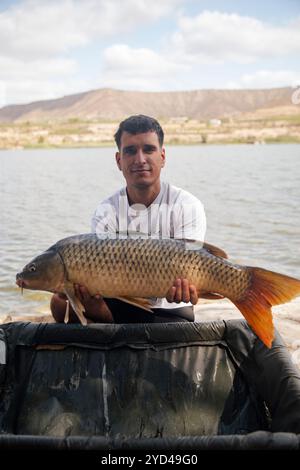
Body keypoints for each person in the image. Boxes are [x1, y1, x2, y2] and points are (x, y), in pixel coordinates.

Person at [51, 115, 206, 324]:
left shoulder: (187, 205)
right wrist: (86, 294)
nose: (140, 159)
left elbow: (196, 265)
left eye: (148, 150)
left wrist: (192, 289)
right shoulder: (106, 210)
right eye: (130, 151)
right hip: (120, 302)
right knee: (59, 303)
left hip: (169, 307)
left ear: (162, 156)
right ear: (119, 160)